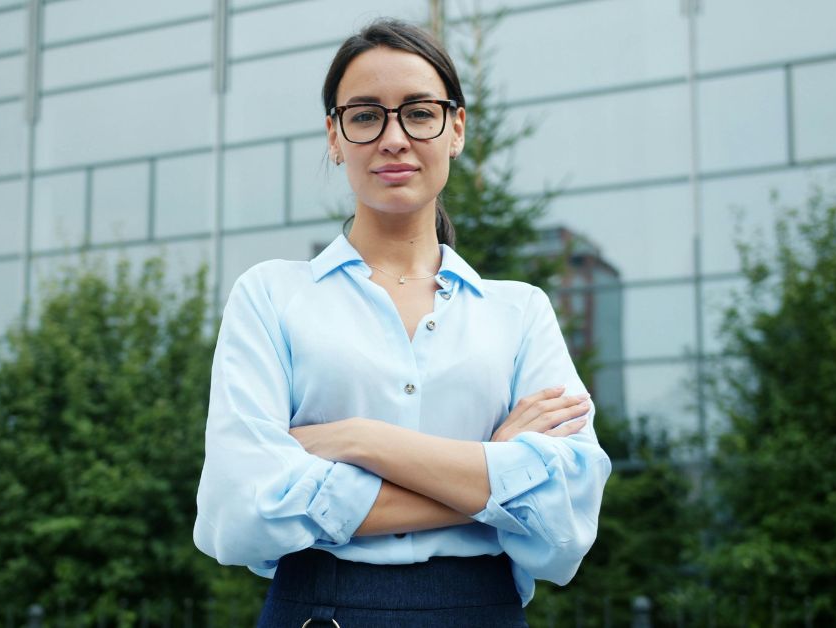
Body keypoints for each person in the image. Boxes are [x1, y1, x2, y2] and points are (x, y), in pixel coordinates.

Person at [193, 18, 611, 627]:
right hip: (319, 611)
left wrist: (362, 439)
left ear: (456, 129)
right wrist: (492, 470)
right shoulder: (270, 296)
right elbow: (239, 512)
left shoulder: (519, 311)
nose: (394, 138)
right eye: (366, 116)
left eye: (419, 112)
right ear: (335, 137)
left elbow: (568, 520)